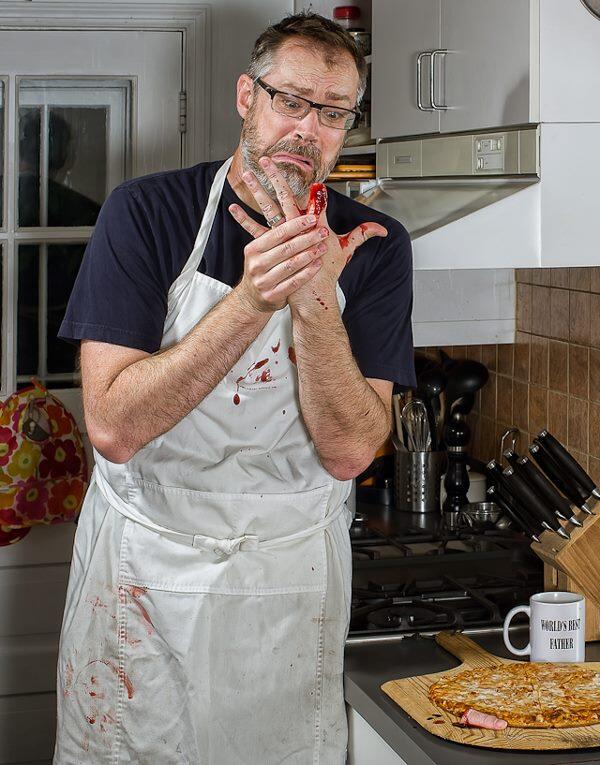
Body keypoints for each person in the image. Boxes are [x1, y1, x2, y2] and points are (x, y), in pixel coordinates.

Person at [53, 13, 414, 763]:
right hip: (147, 581)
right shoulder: (147, 215)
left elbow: (351, 449)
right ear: (247, 96)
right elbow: (115, 426)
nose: (308, 130)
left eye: (334, 112)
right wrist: (252, 300)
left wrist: (315, 299)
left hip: (289, 587)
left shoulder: (373, 248)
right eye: (291, 101)